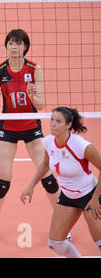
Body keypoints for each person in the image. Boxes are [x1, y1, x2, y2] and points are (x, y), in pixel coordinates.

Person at [0, 29, 62, 245]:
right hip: (7, 128)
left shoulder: (34, 69)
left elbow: (41, 105)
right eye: (10, 43)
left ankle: (61, 223)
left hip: (31, 128)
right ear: (6, 45)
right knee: (3, 181)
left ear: (25, 46)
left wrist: (32, 95)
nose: (13, 46)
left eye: (18, 43)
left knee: (48, 178)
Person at [21, 107, 101, 257]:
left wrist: (96, 198)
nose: (53, 124)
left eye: (58, 121)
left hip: (89, 195)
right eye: (52, 120)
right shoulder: (48, 142)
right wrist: (31, 186)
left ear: (68, 125)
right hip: (68, 197)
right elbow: (45, 164)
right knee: (55, 243)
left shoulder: (81, 145)